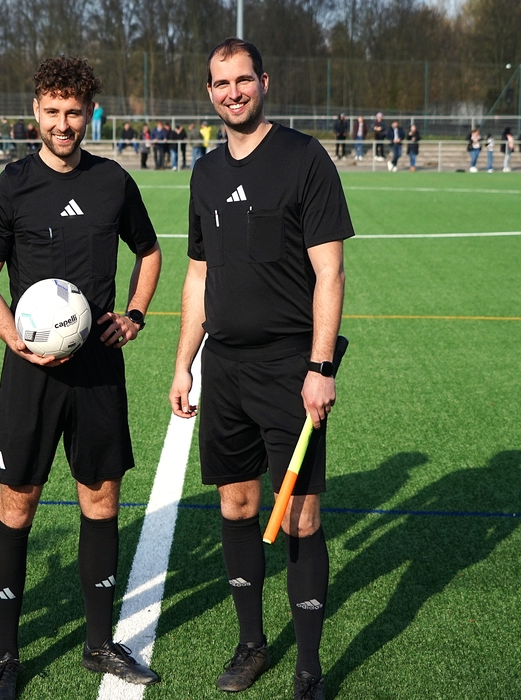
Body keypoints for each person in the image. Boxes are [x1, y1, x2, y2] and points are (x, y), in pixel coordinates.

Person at [0, 55, 163, 700]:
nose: (62, 123)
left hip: (99, 370)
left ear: (89, 114)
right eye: (52, 111)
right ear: (36, 112)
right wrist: (15, 339)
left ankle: (100, 643)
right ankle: (5, 655)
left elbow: (150, 252)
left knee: (101, 500)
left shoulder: (112, 182)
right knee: (16, 504)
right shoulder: (11, 187)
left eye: (73, 113)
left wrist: (135, 314)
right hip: (29, 377)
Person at [171, 38, 352, 700]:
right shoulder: (205, 173)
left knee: (300, 515)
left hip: (288, 369)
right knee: (237, 503)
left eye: (243, 80)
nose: (234, 93)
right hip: (225, 368)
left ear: (264, 82)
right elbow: (198, 275)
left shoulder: (304, 158)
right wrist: (183, 364)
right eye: (221, 84)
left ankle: (309, 668)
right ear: (209, 93)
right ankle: (252, 642)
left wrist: (320, 366)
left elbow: (329, 272)